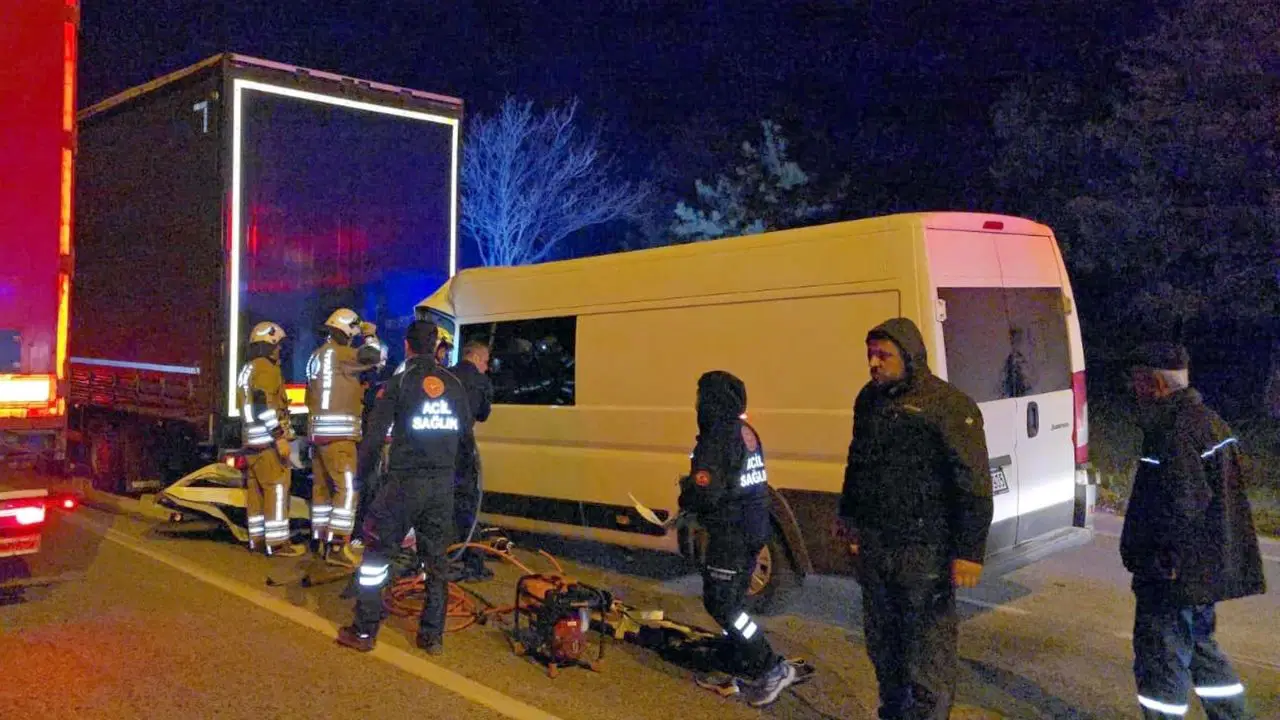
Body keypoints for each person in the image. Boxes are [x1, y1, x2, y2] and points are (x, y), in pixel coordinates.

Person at [835, 317, 993, 720]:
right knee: (883, 645)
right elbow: (858, 464)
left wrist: (969, 552)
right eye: (870, 354)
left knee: (927, 654)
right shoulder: (869, 400)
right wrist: (849, 518)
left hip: (925, 551)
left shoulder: (948, 406)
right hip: (877, 546)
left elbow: (973, 483)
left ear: (909, 356)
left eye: (883, 355)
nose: (874, 363)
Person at [1123, 342, 1265, 719]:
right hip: (1200, 574)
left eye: (1138, 381)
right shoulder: (1209, 422)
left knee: (1161, 663)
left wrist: (1162, 564)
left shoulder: (1174, 432)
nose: (1134, 390)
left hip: (1172, 577)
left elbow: (1180, 506)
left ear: (1155, 383)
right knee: (1201, 649)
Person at [337, 319, 475, 655]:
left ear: (407, 346)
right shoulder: (454, 385)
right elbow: (466, 442)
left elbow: (374, 438)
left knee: (377, 556)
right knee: (436, 562)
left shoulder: (399, 383)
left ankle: (364, 630)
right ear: (436, 347)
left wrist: (360, 478)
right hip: (441, 486)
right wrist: (458, 483)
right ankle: (432, 636)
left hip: (404, 484)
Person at [678, 370, 797, 708]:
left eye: (700, 396)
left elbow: (707, 492)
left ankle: (769, 665)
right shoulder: (745, 431)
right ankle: (737, 656)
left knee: (722, 604)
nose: (696, 404)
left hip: (731, 532)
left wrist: (687, 494)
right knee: (734, 599)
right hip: (753, 526)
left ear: (712, 400)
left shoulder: (717, 438)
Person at [303, 308, 384, 567]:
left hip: (318, 435)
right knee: (347, 489)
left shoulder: (316, 356)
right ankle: (338, 546)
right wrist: (370, 335)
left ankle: (320, 541)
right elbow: (374, 357)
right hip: (339, 437)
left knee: (322, 490)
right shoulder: (341, 354)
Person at [235, 321, 305, 557]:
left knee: (256, 494)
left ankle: (257, 539)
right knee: (276, 491)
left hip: (251, 443)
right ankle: (277, 543)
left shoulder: (248, 369)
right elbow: (263, 407)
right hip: (267, 444)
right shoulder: (266, 369)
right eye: (277, 345)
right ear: (268, 346)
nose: (279, 350)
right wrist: (279, 438)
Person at [449, 340, 494, 581]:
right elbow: (484, 414)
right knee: (467, 502)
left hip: (438, 446)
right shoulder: (480, 381)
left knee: (440, 502)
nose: (487, 367)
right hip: (463, 447)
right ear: (475, 357)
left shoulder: (445, 375)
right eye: (485, 362)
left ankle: (440, 556)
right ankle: (473, 561)